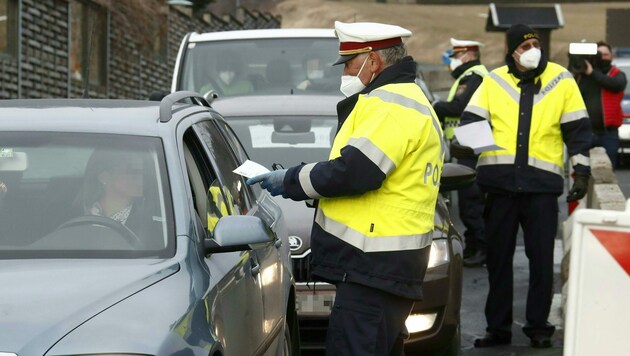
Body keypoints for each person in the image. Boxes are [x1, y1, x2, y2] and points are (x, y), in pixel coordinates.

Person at [247, 21, 445, 355]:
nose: (345, 72)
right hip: (384, 268)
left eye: (350, 64)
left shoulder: (389, 105)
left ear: (374, 61)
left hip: (373, 268)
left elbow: (356, 172)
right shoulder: (406, 100)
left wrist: (291, 180)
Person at [458, 24, 592, 349]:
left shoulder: (562, 80)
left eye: (535, 42)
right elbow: (469, 121)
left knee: (541, 262)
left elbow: (578, 131)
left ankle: (538, 327)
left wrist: (582, 172)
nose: (532, 48)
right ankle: (497, 328)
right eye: (525, 44)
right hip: (500, 187)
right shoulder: (493, 81)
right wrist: (474, 163)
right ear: (513, 51)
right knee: (499, 261)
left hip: (541, 188)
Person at [433, 38, 488, 267]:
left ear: (468, 55)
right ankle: (474, 246)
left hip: (472, 147)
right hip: (466, 145)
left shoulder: (474, 77)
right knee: (468, 203)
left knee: (471, 203)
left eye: (456, 55)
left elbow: (457, 108)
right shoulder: (470, 77)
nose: (452, 61)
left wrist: (434, 106)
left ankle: (481, 248)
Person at [80, 149, 160, 241]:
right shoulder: (74, 215)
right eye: (132, 170)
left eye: (142, 171)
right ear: (104, 177)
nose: (140, 176)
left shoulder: (153, 223)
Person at [574, 40, 627, 169]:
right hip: (585, 132)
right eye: (599, 54)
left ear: (611, 57)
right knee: (581, 169)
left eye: (606, 55)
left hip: (608, 133)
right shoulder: (582, 75)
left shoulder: (617, 74)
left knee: (607, 170)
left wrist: (592, 73)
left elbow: (615, 85)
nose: (602, 57)